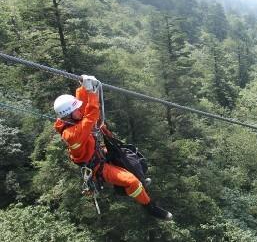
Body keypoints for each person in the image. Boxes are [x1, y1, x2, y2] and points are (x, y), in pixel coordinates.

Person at [53, 75, 172, 220]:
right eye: (76, 110)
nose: (79, 111)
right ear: (68, 116)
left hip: (100, 153)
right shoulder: (71, 134)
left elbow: (83, 107)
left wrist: (83, 86)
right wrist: (91, 92)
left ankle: (139, 179)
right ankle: (150, 207)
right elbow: (91, 115)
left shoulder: (72, 120)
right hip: (98, 166)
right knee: (131, 181)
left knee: (131, 157)